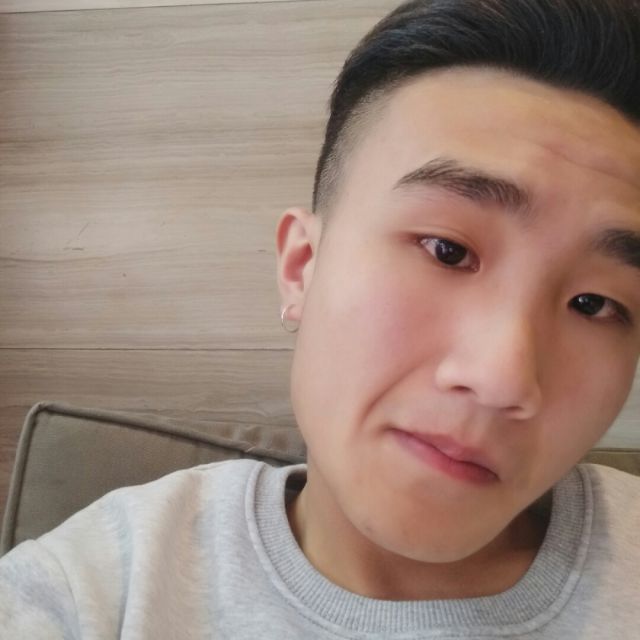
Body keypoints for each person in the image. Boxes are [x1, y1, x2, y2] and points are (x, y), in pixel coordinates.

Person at [2, 0, 640, 637]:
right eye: (447, 250)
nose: (504, 379)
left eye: (594, 304)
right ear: (302, 266)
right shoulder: (92, 592)